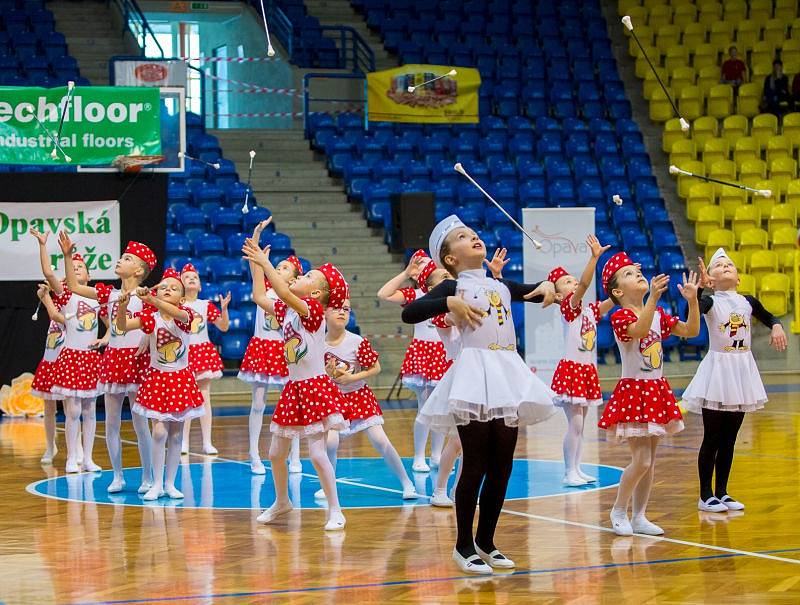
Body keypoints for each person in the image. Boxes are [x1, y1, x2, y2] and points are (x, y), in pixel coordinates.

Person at [401, 215, 557, 575]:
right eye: (462, 237)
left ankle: (487, 541)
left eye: (473, 233)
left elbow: (538, 290)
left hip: (507, 375)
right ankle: (463, 545)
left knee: (503, 464)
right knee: (475, 462)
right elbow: (411, 312)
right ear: (450, 259)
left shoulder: (500, 285)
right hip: (474, 377)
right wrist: (448, 304)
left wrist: (550, 284)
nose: (473, 237)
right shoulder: (452, 287)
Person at [242, 229, 350, 531]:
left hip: (315, 386)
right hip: (294, 388)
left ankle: (335, 509)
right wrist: (255, 260)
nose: (300, 276)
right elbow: (260, 296)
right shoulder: (288, 310)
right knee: (275, 453)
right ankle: (282, 501)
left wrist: (265, 263)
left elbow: (285, 292)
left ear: (315, 294)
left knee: (317, 453)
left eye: (308, 276)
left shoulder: (312, 310)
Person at [598, 252, 700, 537]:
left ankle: (640, 515)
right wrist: (653, 298)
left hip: (655, 389)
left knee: (650, 461)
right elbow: (639, 330)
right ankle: (618, 509)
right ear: (617, 291)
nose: (638, 275)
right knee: (641, 460)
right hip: (634, 392)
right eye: (629, 274)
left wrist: (692, 299)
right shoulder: (620, 316)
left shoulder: (658, 315)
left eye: (637, 271)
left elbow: (692, 331)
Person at [682, 249, 787, 513]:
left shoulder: (748, 301)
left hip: (741, 371)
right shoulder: (710, 302)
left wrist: (776, 326)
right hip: (718, 371)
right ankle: (705, 495)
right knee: (712, 437)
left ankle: (723, 492)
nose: (726, 266)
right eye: (719, 265)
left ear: (738, 278)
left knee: (730, 438)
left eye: (730, 264)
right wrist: (696, 293)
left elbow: (770, 317)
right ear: (712, 279)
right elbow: (691, 314)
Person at [57, 234, 158, 493]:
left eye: (126, 258)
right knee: (111, 422)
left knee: (140, 424)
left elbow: (152, 324)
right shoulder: (109, 294)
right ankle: (118, 476)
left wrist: (147, 338)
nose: (119, 260)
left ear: (138, 269)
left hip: (137, 362)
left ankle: (148, 477)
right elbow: (75, 287)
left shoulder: (147, 296)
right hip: (114, 359)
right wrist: (68, 257)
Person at [115, 269, 205, 501]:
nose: (167, 289)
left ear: (182, 299)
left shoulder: (185, 314)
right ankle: (156, 483)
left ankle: (170, 483)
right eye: (163, 286)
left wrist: (151, 299)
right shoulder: (151, 318)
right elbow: (123, 326)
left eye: (174, 288)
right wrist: (124, 305)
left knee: (176, 435)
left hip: (181, 380)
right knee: (159, 431)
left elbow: (177, 315)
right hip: (157, 379)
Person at [318, 298, 418, 500]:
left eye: (346, 309)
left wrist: (352, 377)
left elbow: (376, 368)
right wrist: (327, 374)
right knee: (329, 444)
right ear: (324, 313)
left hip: (359, 396)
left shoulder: (357, 341)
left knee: (381, 440)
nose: (342, 312)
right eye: (336, 308)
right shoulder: (318, 343)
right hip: (333, 400)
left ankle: (407, 483)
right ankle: (328, 485)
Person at [238, 219, 304, 474]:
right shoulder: (264, 290)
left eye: (285, 267)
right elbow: (256, 261)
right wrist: (256, 233)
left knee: (292, 402)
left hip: (287, 351)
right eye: (278, 265)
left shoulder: (296, 298)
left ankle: (295, 455)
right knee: (257, 403)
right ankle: (254, 454)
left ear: (295, 277)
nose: (279, 268)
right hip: (263, 348)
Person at [548, 235, 615, 487]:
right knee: (575, 424)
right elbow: (586, 283)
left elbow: (613, 300)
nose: (574, 284)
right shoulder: (569, 307)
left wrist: (620, 278)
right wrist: (594, 258)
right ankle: (568, 471)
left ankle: (576, 468)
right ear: (558, 295)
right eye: (568, 282)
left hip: (586, 370)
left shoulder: (588, 311)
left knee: (581, 425)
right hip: (572, 370)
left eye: (574, 280)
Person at [377, 251, 451, 472]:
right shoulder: (416, 295)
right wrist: (406, 273)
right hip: (423, 353)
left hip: (444, 354)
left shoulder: (451, 297)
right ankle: (419, 456)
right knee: (424, 405)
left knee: (439, 408)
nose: (447, 278)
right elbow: (383, 294)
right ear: (428, 281)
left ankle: (436, 455)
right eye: (442, 275)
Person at [180, 263, 231, 456]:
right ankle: (183, 441)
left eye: (195, 277)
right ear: (180, 283)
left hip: (202, 353)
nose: (192, 279)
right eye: (187, 277)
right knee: (185, 399)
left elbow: (223, 327)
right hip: (183, 354)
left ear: (200, 286)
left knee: (204, 398)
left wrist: (224, 310)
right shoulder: (177, 306)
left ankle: (206, 442)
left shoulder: (205, 305)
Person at [30, 283, 67, 464]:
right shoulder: (59, 301)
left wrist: (46, 298)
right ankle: (50, 446)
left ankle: (77, 449)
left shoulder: (79, 304)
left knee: (70, 408)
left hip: (67, 362)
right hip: (50, 359)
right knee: (49, 407)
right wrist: (45, 294)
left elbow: (57, 316)